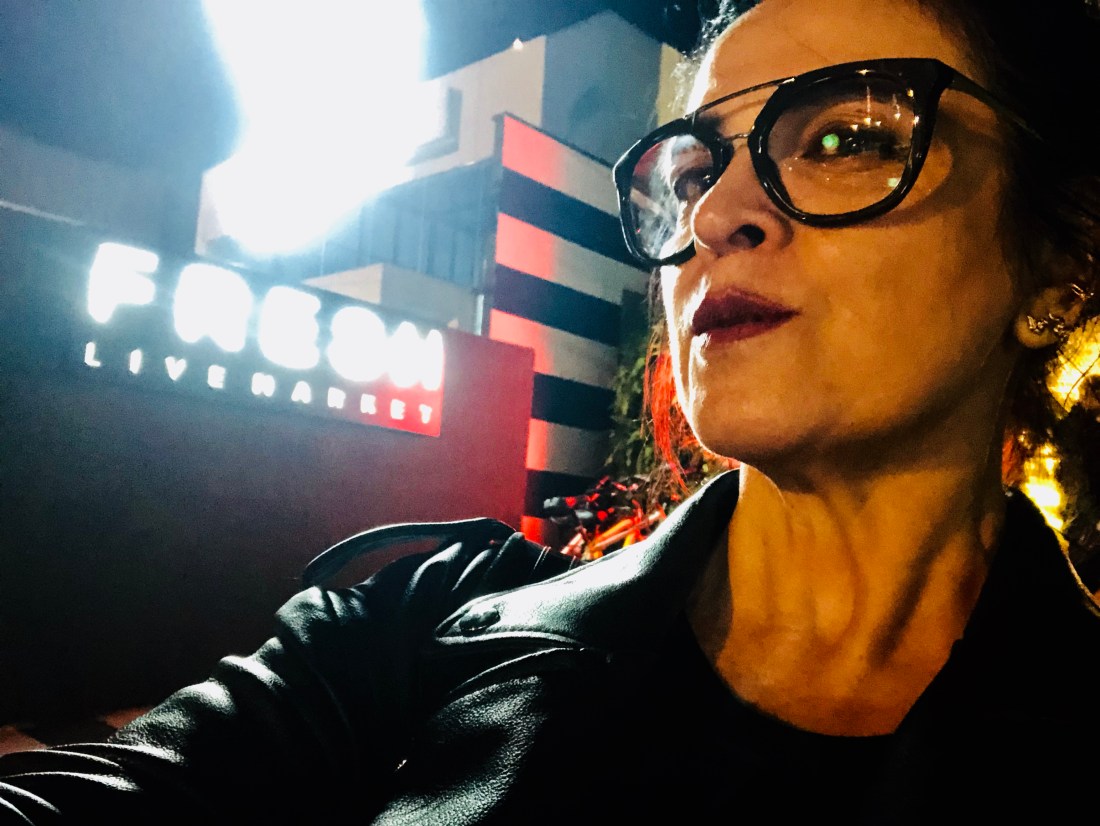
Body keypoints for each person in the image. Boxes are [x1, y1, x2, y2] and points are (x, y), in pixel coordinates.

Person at [3, 0, 1099, 821]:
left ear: (1061, 258)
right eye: (695, 172)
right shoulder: (433, 625)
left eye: (844, 138)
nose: (715, 214)